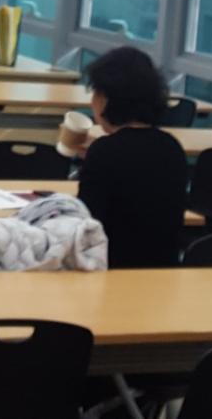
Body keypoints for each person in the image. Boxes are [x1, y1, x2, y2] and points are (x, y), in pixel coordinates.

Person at [76, 46, 189, 268]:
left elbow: (86, 223)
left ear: (106, 98)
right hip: (163, 274)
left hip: (111, 271)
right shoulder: (172, 147)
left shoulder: (104, 152)